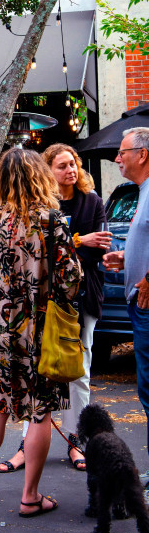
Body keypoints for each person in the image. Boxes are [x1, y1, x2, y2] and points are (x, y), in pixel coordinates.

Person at [0, 148, 81, 515]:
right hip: (40, 332)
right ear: (40, 178)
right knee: (40, 412)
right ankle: (29, 496)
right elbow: (70, 280)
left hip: (0, 330)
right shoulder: (52, 222)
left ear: (2, 179)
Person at [0, 143, 110, 474]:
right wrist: (78, 241)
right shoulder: (42, 205)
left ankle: (78, 440)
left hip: (81, 300)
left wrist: (75, 245)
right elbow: (36, 254)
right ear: (48, 170)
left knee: (79, 372)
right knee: (37, 374)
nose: (71, 170)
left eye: (73, 164)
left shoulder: (92, 202)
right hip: (41, 304)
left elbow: (96, 253)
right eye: (62, 165)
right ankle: (26, 444)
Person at [103, 127, 149, 493]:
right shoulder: (141, 192)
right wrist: (126, 256)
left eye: (122, 152)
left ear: (142, 154)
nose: (118, 158)